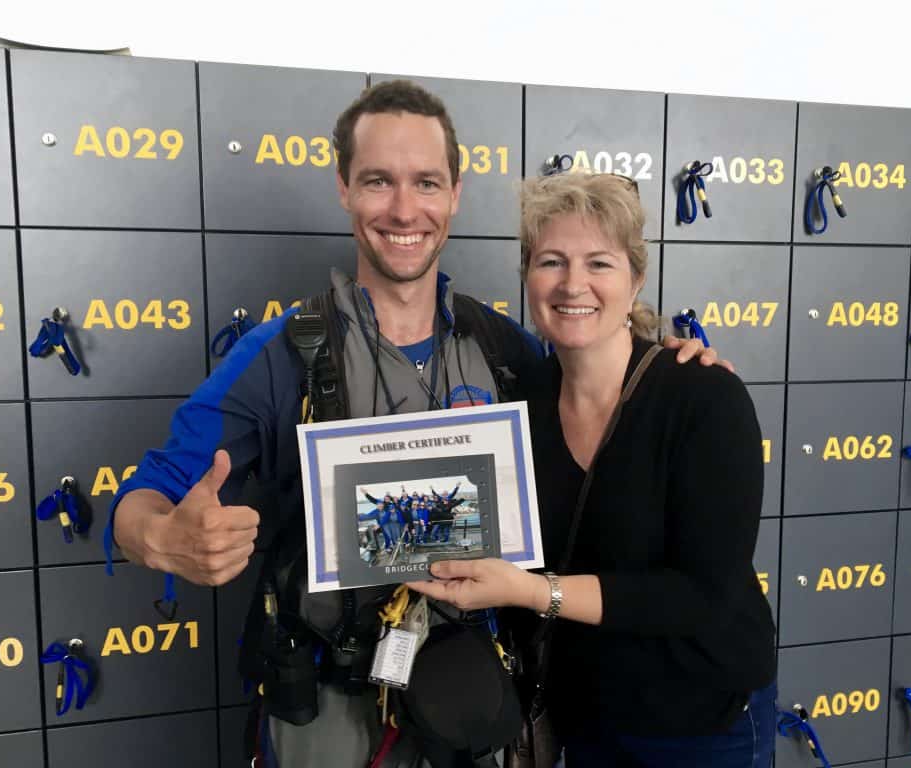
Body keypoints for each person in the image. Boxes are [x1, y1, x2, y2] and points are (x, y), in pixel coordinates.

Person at [105, 80, 724, 768]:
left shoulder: (510, 351)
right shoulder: (283, 356)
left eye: (426, 183)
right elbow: (147, 493)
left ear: (456, 191)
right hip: (333, 716)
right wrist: (162, 537)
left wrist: (676, 368)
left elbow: (606, 388)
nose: (405, 210)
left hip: (480, 706)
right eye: (378, 181)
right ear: (343, 186)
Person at [408, 172, 776, 768]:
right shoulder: (521, 402)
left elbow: (704, 597)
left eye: (598, 263)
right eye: (551, 261)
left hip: (700, 723)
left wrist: (533, 592)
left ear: (636, 280)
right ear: (528, 278)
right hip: (584, 721)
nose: (573, 283)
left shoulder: (704, 398)